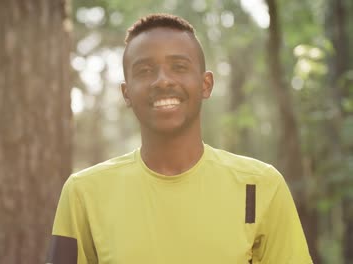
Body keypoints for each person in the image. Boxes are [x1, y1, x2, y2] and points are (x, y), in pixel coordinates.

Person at [46, 13, 312, 264]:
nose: (163, 81)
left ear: (205, 84)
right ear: (127, 93)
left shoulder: (260, 185)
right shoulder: (83, 191)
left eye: (179, 66)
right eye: (145, 71)